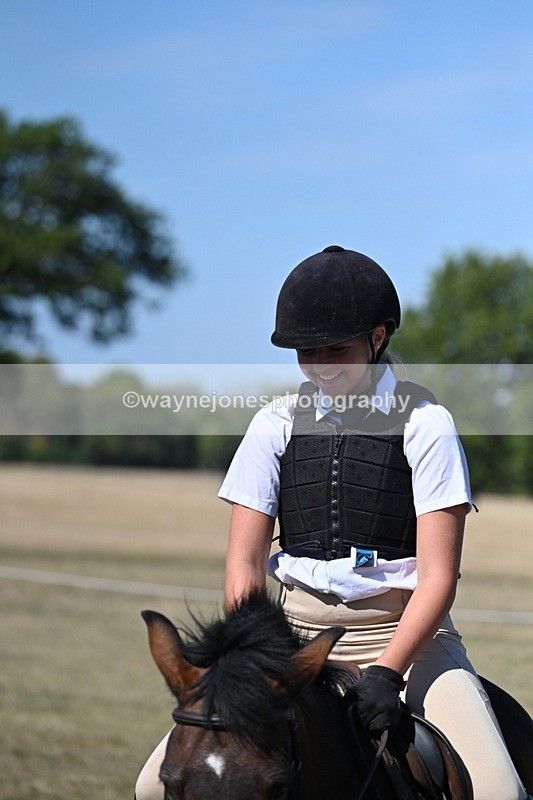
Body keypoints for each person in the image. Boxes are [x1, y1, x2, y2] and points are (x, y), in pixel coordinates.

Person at [135, 245, 527, 800]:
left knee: (498, 791)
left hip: (406, 638)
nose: (320, 365)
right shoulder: (273, 424)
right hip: (289, 639)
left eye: (336, 348)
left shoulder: (427, 425)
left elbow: (439, 578)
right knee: (152, 787)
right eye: (306, 351)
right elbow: (244, 562)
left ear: (379, 336)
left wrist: (390, 671)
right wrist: (251, 654)